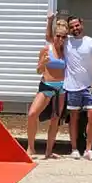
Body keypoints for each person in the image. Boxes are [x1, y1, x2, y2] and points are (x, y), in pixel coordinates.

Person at [26, 12, 67, 159]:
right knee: (32, 114)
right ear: (54, 36)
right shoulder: (46, 50)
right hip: (46, 86)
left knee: (55, 119)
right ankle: (30, 148)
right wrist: (42, 65)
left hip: (61, 89)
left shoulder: (66, 51)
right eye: (58, 36)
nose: (61, 39)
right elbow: (38, 70)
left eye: (64, 37)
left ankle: (49, 151)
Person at [62, 15, 92, 160]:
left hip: (89, 85)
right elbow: (50, 38)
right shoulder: (66, 42)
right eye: (72, 27)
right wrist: (50, 21)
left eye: (77, 25)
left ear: (82, 25)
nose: (75, 29)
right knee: (74, 118)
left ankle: (88, 150)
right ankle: (74, 149)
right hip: (72, 86)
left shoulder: (91, 42)